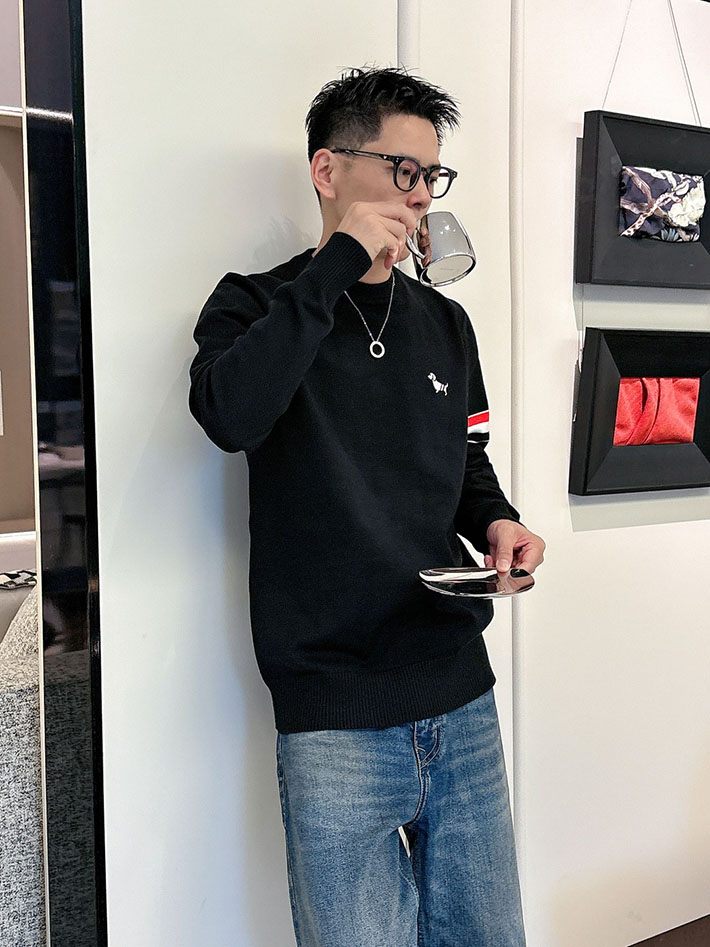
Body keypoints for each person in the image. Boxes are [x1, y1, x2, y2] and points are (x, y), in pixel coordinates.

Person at [188, 65, 545, 947]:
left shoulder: (446, 324)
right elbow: (230, 417)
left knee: (489, 937)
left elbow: (467, 462)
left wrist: (497, 521)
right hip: (334, 712)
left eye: (431, 175)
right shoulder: (252, 304)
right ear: (328, 170)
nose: (419, 195)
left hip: (458, 691)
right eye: (401, 169)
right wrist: (337, 265)